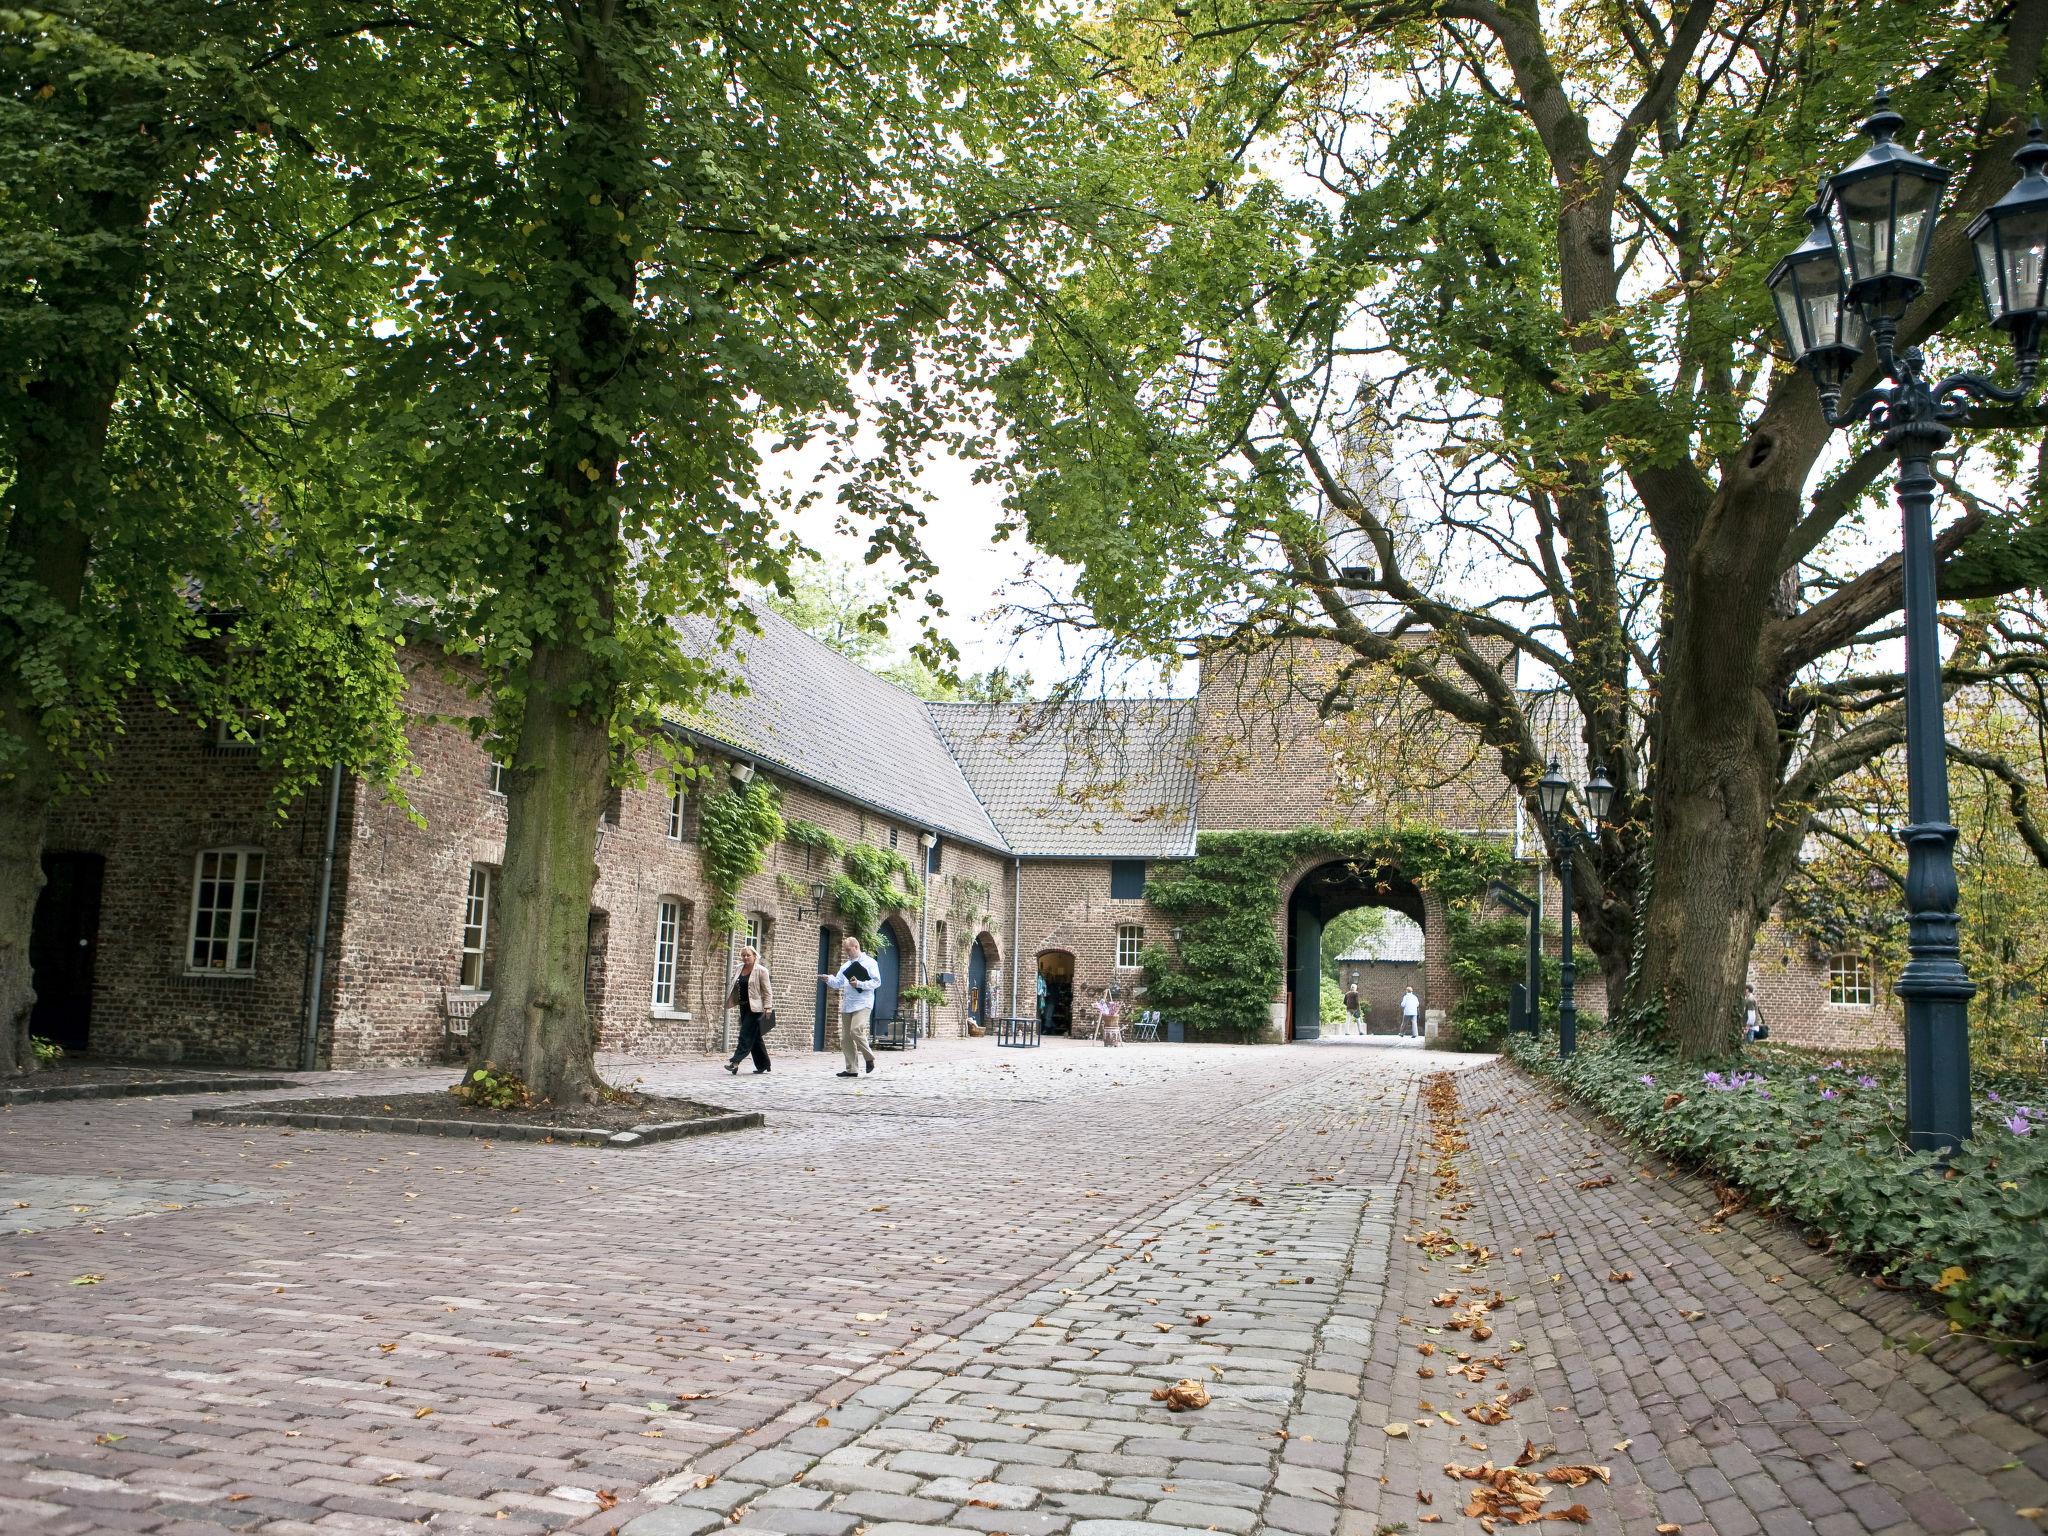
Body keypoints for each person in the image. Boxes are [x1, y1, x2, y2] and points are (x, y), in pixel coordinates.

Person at [822, 935, 880, 1078]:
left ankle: (869, 1057)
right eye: (845, 950)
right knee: (846, 1038)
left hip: (863, 1002)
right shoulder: (845, 966)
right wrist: (828, 979)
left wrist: (859, 984)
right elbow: (838, 983)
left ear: (856, 947)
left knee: (855, 1030)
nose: (847, 952)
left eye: (848, 949)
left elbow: (877, 982)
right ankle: (852, 1069)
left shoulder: (870, 962)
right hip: (848, 1004)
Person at [725, 944, 773, 1074]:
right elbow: (734, 984)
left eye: (748, 955)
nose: (745, 958)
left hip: (756, 1009)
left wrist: (768, 1007)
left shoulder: (761, 970)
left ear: (754, 956)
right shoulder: (738, 968)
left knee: (745, 1034)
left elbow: (767, 991)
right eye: (743, 955)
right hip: (743, 1006)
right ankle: (764, 1064)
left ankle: (735, 1062)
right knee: (755, 1037)